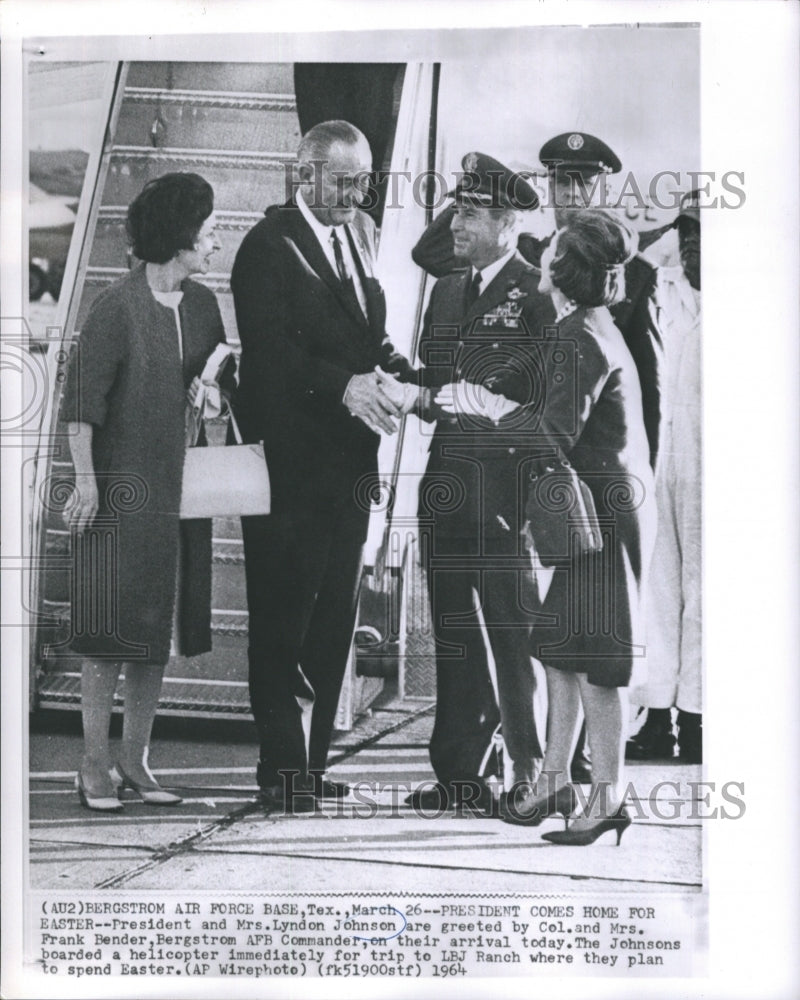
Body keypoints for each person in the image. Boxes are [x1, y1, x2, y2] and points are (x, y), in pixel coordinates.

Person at [412, 131, 664, 785]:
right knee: (468, 634)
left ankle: (545, 767)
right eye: (559, 182)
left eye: (581, 183)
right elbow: (431, 252)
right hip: (451, 483)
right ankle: (469, 772)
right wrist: (481, 200)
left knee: (541, 637)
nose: (569, 195)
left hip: (533, 487)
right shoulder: (485, 272)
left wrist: (622, 491)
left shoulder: (567, 286)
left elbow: (637, 403)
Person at [230, 120, 420, 814]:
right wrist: (344, 385)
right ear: (303, 173)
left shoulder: (360, 234)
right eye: (341, 180)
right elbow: (272, 355)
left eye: (362, 181)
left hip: (349, 467)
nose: (352, 193)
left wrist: (411, 380)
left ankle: (310, 766)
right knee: (282, 615)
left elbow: (373, 336)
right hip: (290, 468)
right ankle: (279, 770)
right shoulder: (267, 246)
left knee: (332, 620)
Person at [61, 172, 232, 812]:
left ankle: (136, 760)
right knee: (110, 631)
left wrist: (213, 396)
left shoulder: (203, 306)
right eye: (210, 231)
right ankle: (92, 763)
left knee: (154, 630)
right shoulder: (116, 306)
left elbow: (219, 392)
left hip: (179, 492)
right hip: (118, 491)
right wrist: (85, 480)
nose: (216, 243)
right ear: (180, 236)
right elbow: (81, 404)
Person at [404, 151, 555, 815]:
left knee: (513, 634)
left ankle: (530, 774)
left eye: (468, 211)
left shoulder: (537, 291)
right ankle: (460, 776)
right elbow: (432, 371)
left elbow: (542, 402)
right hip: (447, 486)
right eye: (455, 208)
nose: (454, 223)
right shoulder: (447, 288)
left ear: (505, 222)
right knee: (455, 632)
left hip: (504, 491)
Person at [498, 210, 656, 844]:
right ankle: (555, 780)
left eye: (551, 250)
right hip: (598, 511)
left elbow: (551, 432)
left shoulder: (579, 337)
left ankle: (607, 799)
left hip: (596, 522)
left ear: (562, 270)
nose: (542, 255)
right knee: (562, 652)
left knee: (596, 663)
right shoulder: (594, 327)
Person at [628, 191, 703, 763]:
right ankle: (657, 717)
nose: (698, 244)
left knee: (707, 593)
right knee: (658, 590)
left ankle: (699, 718)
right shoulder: (665, 287)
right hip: (663, 457)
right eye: (690, 231)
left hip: (715, 466)